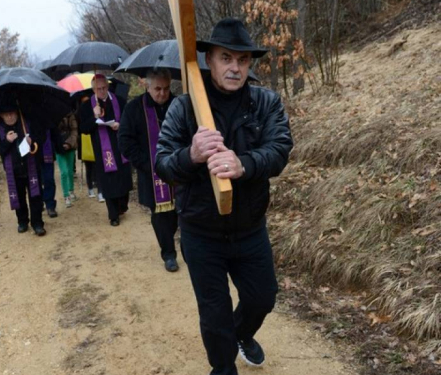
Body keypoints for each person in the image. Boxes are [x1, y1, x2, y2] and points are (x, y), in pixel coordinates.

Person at [155, 18, 293, 375]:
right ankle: (223, 367)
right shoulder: (185, 107)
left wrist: (243, 163)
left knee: (263, 297)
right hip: (201, 232)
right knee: (214, 314)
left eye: (242, 60)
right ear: (210, 60)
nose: (235, 67)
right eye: (226, 58)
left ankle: (242, 333)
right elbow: (163, 165)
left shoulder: (266, 102)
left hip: (249, 228)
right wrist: (192, 154)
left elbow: (279, 150)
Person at [119, 68, 179, 273]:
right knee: (161, 215)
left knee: (180, 212)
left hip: (180, 170)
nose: (162, 94)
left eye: (166, 88)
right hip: (152, 174)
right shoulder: (134, 108)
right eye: (158, 89)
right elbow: (125, 141)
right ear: (147, 86)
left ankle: (186, 248)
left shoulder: (178, 104)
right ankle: (169, 253)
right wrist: (147, 164)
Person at [79, 74, 132, 226]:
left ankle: (122, 205)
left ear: (107, 87)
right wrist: (94, 117)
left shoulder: (119, 101)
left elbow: (129, 121)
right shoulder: (87, 106)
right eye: (98, 89)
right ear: (93, 89)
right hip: (102, 150)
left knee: (122, 179)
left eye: (104, 88)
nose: (101, 91)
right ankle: (113, 215)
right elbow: (84, 129)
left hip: (119, 146)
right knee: (108, 181)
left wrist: (120, 125)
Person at [0, 102, 46, 236]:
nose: (9, 117)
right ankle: (22, 221)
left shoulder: (27, 121)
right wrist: (7, 141)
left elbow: (42, 137)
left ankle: (37, 223)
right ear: (1, 116)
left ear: (17, 112)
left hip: (31, 166)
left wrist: (32, 140)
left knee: (36, 196)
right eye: (6, 115)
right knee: (19, 196)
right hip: (14, 169)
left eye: (12, 113)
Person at [55, 112, 78, 208]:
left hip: (70, 146)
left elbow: (74, 130)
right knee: (63, 172)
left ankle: (71, 190)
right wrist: (60, 144)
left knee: (69, 171)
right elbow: (54, 132)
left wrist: (69, 143)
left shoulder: (71, 115)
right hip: (59, 148)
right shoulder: (53, 114)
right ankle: (66, 196)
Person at [41, 129, 58, 218]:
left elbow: (55, 133)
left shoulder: (48, 118)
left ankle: (50, 205)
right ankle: (38, 202)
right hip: (32, 153)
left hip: (47, 151)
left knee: (49, 179)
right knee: (35, 180)